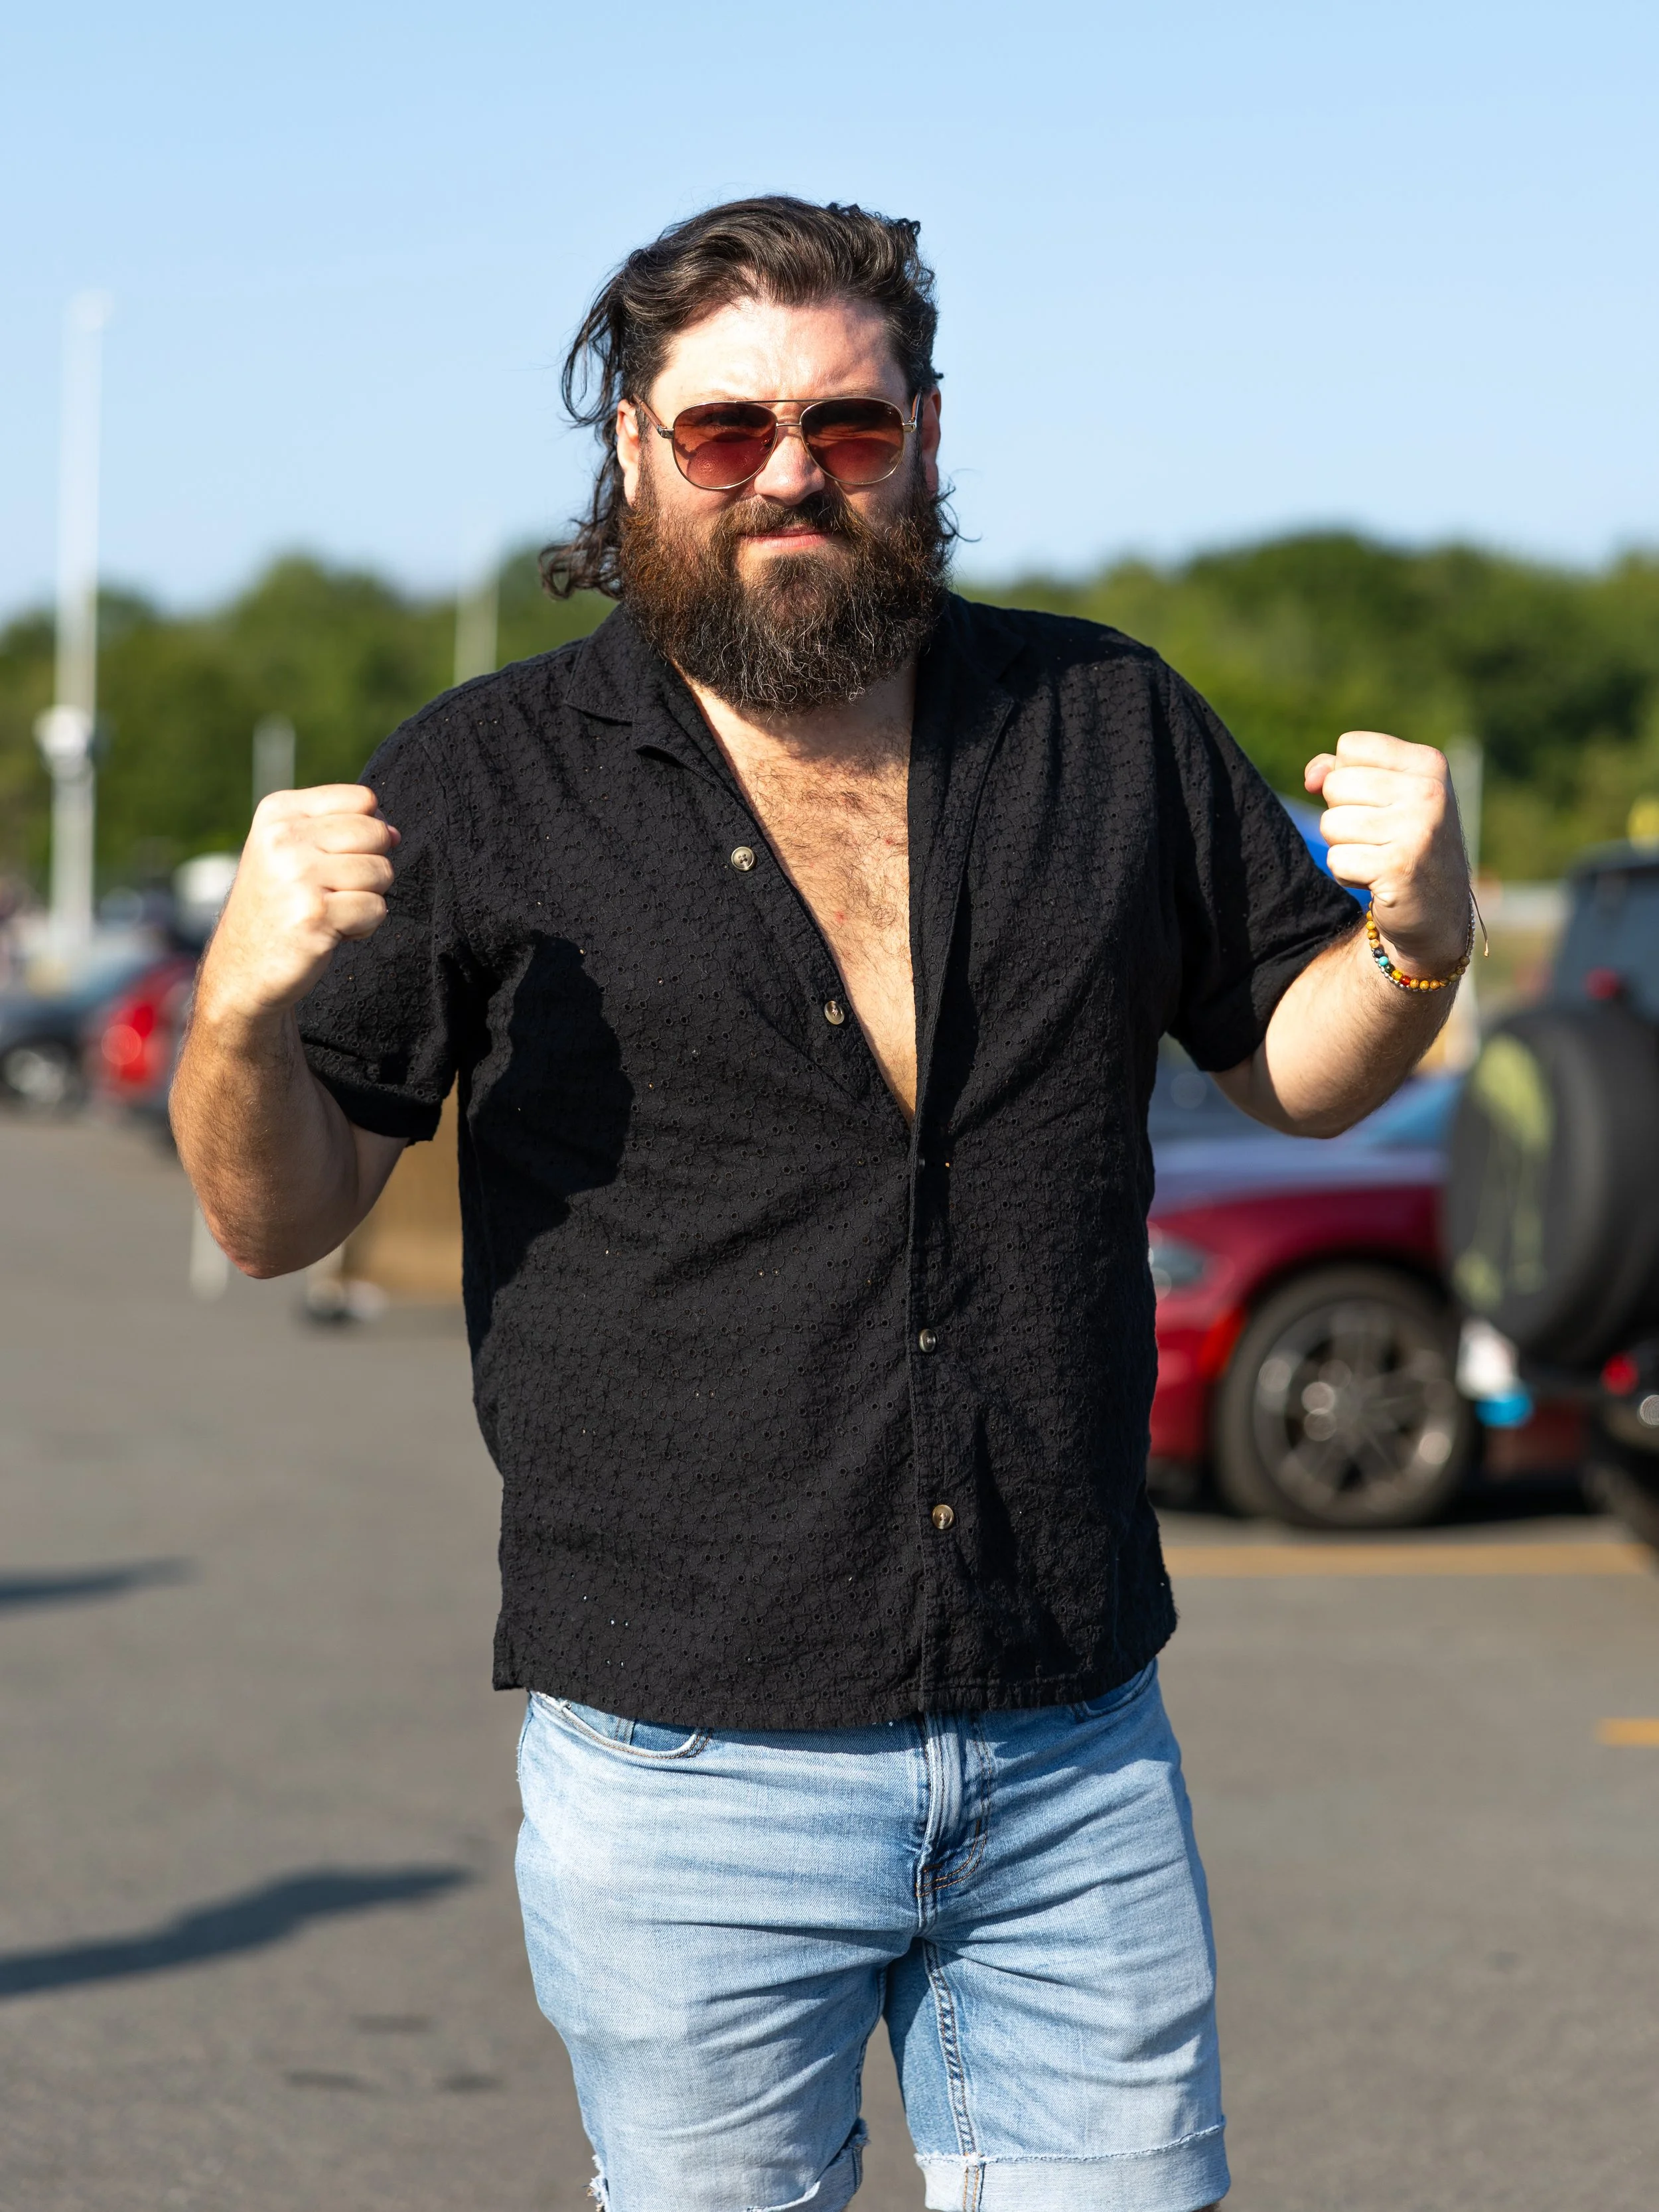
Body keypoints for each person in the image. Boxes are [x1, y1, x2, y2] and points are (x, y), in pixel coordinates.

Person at [171, 196, 1472, 2212]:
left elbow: (1288, 1072)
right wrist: (240, 1012)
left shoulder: (1102, 724)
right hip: (689, 1766)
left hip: (1069, 1736)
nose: (790, 470)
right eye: (724, 431)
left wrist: (1421, 941)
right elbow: (278, 1215)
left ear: (924, 435)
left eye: (847, 429)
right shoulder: (487, 780)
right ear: (632, 452)